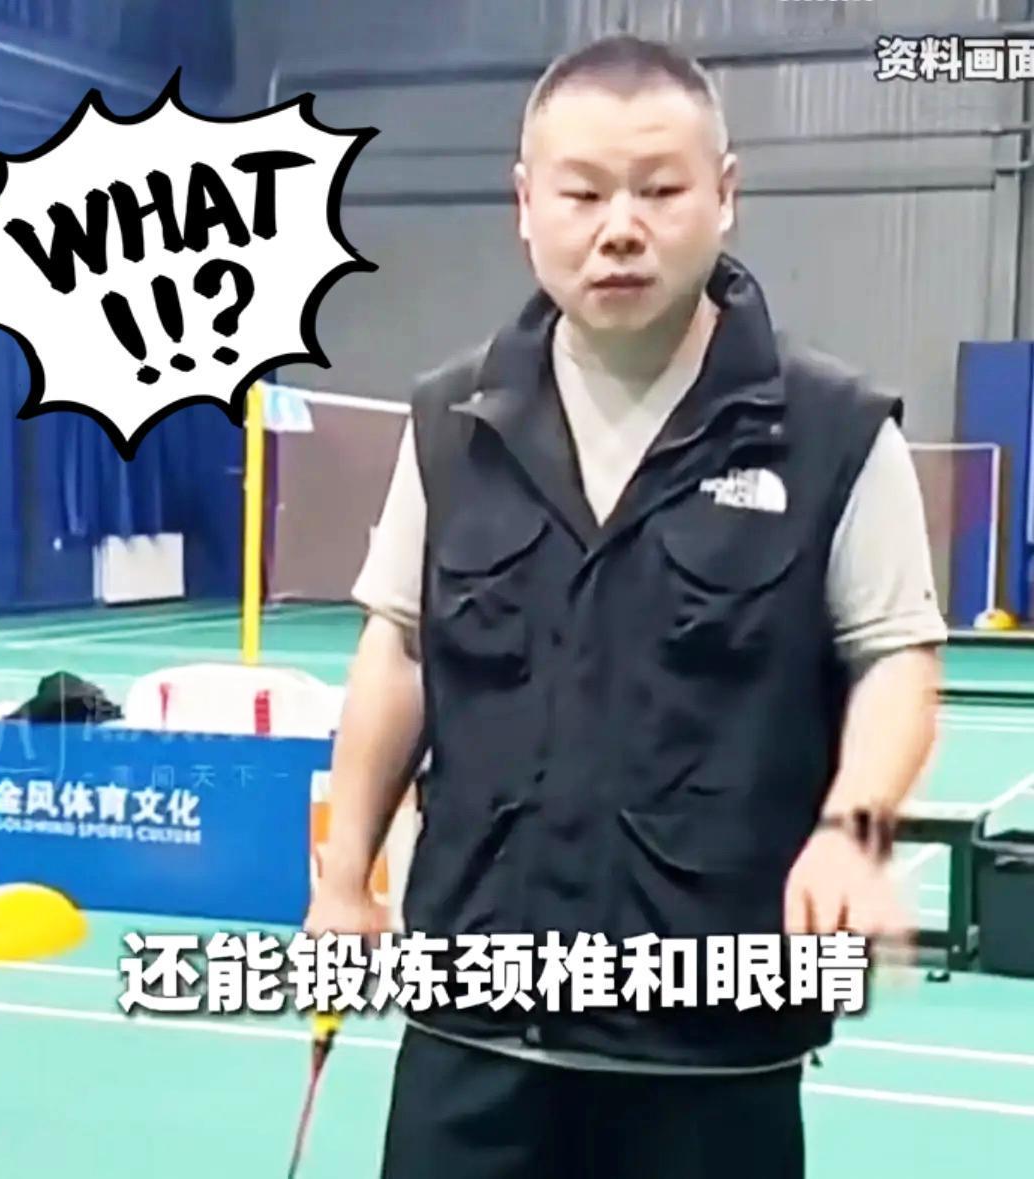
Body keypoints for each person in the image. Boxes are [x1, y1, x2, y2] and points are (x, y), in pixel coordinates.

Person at [306, 33, 946, 1178]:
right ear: (526, 204)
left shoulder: (835, 433)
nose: (620, 227)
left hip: (710, 1046)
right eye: (584, 192)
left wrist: (854, 833)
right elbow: (397, 651)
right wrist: (345, 880)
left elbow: (894, 656)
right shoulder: (452, 422)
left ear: (725, 195)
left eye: (659, 190)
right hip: (473, 1025)